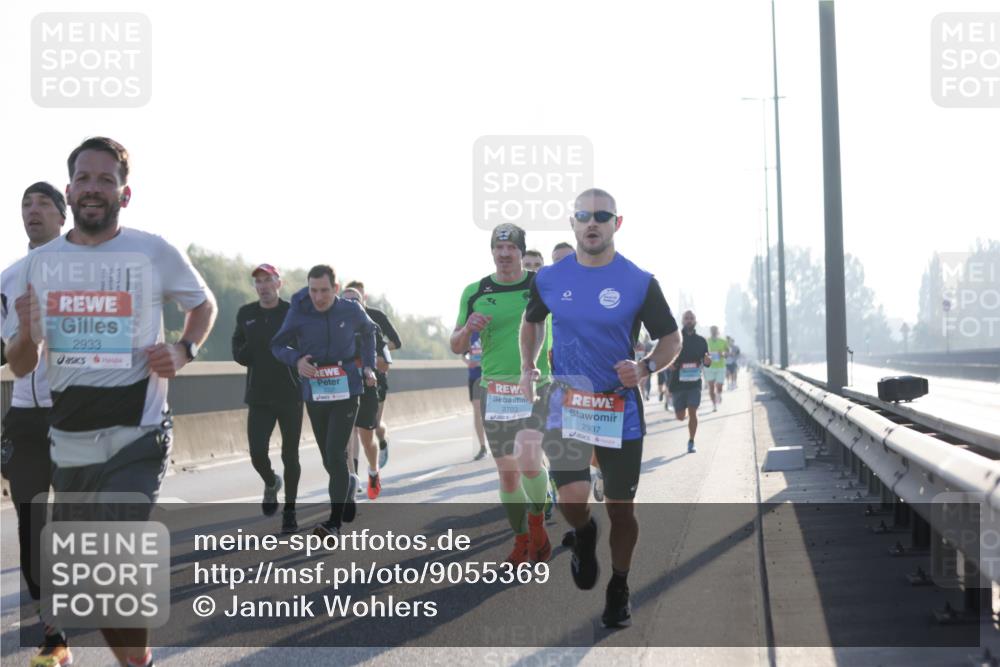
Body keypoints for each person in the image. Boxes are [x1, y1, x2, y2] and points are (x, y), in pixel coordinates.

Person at [4, 137, 217, 667]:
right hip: (68, 443)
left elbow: (203, 304)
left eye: (105, 179)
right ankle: (137, 661)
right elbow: (22, 364)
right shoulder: (41, 264)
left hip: (138, 434)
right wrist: (28, 334)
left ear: (124, 194)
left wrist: (183, 349)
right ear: (70, 189)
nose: (93, 188)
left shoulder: (153, 251)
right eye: (84, 178)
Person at [520, 188, 681, 629]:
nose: (592, 223)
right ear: (572, 224)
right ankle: (584, 534)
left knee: (621, 510)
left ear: (617, 223)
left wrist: (646, 366)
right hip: (567, 403)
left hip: (619, 408)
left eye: (602, 216)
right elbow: (531, 321)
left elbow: (671, 339)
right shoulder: (549, 278)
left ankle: (620, 584)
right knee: (572, 501)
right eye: (583, 216)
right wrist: (527, 365)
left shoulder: (640, 281)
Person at [450, 223, 553, 565]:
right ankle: (521, 540)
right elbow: (455, 345)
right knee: (508, 474)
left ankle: (537, 527)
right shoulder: (475, 291)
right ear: (492, 252)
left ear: (522, 253)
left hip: (536, 383)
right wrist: (468, 329)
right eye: (499, 248)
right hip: (495, 389)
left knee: (529, 462)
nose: (505, 254)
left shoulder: (540, 285)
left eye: (512, 249)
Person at [1, 182, 72, 667]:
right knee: (31, 523)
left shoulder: (88, 270)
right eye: (26, 204)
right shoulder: (7, 278)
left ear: (63, 215)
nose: (33, 211)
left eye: (44, 203)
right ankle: (54, 632)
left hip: (77, 412)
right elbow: (6, 351)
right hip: (26, 415)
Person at [270, 265, 377, 537]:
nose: (318, 297)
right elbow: (278, 345)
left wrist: (367, 366)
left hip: (347, 388)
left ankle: (333, 524)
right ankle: (348, 487)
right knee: (331, 460)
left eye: (325, 291)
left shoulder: (350, 310)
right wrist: (296, 360)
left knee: (334, 452)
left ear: (336, 289)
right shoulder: (299, 311)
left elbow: (369, 332)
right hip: (315, 389)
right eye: (313, 290)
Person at [232, 263, 303, 533]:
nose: (262, 286)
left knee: (290, 455)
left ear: (278, 283)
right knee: (257, 453)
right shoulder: (246, 313)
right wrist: (251, 345)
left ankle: (290, 511)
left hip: (290, 394)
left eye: (267, 280)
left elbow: (305, 344)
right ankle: (271, 482)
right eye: (258, 281)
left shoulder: (291, 313)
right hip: (259, 396)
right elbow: (237, 352)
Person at [340, 282, 401, 499]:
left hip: (367, 387)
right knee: (346, 436)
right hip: (342, 389)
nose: (350, 305)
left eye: (354, 301)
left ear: (362, 304)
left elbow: (385, 362)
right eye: (345, 301)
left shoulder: (372, 328)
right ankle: (351, 478)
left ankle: (373, 471)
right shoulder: (334, 328)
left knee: (367, 438)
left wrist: (368, 364)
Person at [667, 311, 712, 452]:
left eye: (691, 318)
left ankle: (691, 441)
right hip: (677, 382)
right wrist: (670, 364)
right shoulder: (675, 339)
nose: (689, 320)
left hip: (694, 382)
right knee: (680, 417)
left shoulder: (701, 341)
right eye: (686, 318)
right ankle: (683, 409)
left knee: (693, 411)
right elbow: (667, 357)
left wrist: (707, 361)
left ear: (695, 321)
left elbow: (707, 361)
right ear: (682, 321)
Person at [464, 331, 488, 460]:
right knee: (477, 411)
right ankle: (483, 447)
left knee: (491, 413)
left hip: (490, 376)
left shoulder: (490, 328)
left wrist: (480, 363)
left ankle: (501, 444)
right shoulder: (469, 332)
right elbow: (462, 353)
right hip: (474, 378)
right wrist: (468, 362)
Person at [705, 325, 729, 411]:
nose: (714, 331)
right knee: (711, 387)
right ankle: (714, 404)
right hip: (709, 367)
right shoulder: (706, 341)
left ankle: (719, 394)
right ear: (710, 331)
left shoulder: (723, 341)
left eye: (715, 330)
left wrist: (722, 354)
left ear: (718, 331)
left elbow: (727, 353)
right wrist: (707, 355)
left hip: (720, 367)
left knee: (719, 386)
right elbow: (703, 353)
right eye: (712, 330)